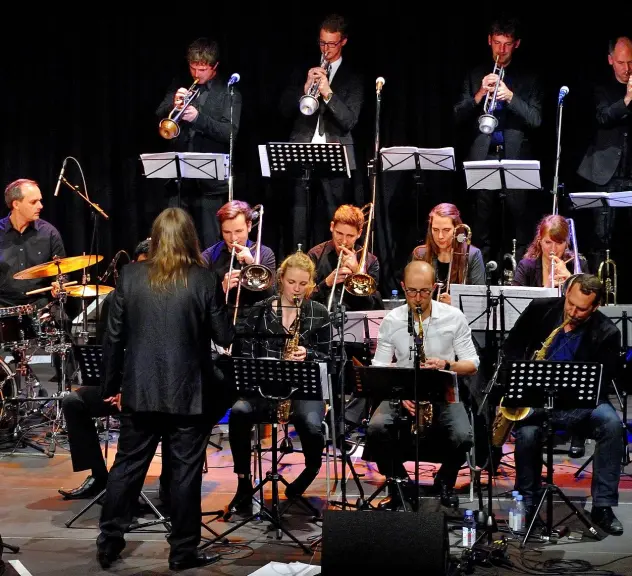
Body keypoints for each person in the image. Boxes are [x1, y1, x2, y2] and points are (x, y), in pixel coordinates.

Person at [96, 208, 234, 571]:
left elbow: (112, 338)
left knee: (127, 468)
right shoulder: (204, 280)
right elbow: (224, 337)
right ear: (191, 237)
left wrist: (110, 386)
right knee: (185, 474)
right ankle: (183, 552)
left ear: (156, 238)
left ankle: (109, 543)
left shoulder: (130, 275)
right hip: (188, 394)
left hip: (140, 391)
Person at [503, 274, 623, 535]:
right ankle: (528, 501)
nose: (573, 312)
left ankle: (603, 506)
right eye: (570, 304)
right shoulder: (540, 310)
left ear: (596, 306)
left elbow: (600, 387)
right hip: (534, 397)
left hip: (580, 403)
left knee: (612, 424)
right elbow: (511, 347)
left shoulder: (607, 332)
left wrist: (556, 414)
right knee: (527, 432)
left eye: (582, 309)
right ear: (567, 293)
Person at [365, 260, 479, 510]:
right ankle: (400, 483)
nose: (418, 298)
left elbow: (472, 364)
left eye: (425, 291)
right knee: (375, 428)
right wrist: (399, 393)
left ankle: (445, 481)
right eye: (412, 291)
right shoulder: (392, 320)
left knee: (463, 435)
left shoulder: (453, 317)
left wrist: (446, 364)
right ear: (403, 287)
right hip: (403, 391)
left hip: (443, 391)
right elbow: (380, 368)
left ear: (435, 287)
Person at [226, 251, 332, 515]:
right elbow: (245, 352)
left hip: (303, 389)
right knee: (239, 412)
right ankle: (243, 483)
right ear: (280, 279)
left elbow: (331, 356)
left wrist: (309, 354)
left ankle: (310, 469)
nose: (297, 289)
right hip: (264, 387)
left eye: (303, 284)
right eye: (291, 282)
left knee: (309, 423)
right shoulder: (259, 311)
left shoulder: (318, 312)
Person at [58, 240, 158, 501]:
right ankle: (99, 475)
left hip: (157, 391)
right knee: (72, 401)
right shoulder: (116, 298)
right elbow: (106, 347)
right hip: (123, 387)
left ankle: (163, 488)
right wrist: (115, 388)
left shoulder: (168, 299)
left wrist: (129, 389)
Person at [453, 16, 542, 264]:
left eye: (507, 44)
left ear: (517, 44)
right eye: (497, 43)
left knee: (519, 225)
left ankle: (520, 276)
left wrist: (511, 97)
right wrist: (481, 93)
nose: (501, 50)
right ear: (489, 41)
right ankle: (481, 278)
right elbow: (457, 115)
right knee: (481, 225)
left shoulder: (529, 78)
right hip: (482, 157)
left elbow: (536, 120)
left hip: (515, 159)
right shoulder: (474, 75)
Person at [278, 13, 364, 253]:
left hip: (335, 154)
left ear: (343, 42)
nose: (326, 49)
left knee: (335, 217)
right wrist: (305, 89)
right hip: (303, 150)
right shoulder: (302, 71)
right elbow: (284, 111)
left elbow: (349, 121)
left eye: (332, 43)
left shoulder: (353, 78)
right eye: (322, 43)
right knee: (299, 220)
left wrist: (328, 93)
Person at [155, 37, 242, 248]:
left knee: (208, 244)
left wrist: (197, 119)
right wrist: (173, 105)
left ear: (214, 67)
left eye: (202, 69)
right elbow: (160, 116)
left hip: (210, 187)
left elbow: (229, 133)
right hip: (180, 185)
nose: (196, 74)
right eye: (193, 68)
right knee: (176, 243)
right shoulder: (180, 85)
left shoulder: (229, 93)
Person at [576, 36, 632, 272]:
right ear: (610, 60)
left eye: (631, 62)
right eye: (621, 62)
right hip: (605, 175)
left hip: (630, 174)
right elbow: (602, 117)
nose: (627, 69)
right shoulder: (600, 88)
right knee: (601, 241)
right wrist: (628, 99)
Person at [201, 200, 276, 350]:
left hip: (256, 330)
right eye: (226, 232)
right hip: (220, 331)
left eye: (238, 231)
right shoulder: (208, 256)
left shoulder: (265, 253)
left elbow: (272, 296)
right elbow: (199, 301)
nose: (233, 238)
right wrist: (221, 289)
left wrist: (252, 265)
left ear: (249, 226)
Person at [308, 204, 383, 311]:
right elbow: (303, 299)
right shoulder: (315, 255)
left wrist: (358, 274)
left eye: (350, 236)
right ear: (332, 227)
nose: (343, 241)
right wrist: (326, 283)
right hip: (322, 322)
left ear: (359, 233)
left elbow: (375, 306)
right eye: (339, 233)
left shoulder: (371, 261)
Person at [411, 203, 486, 305]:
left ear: (457, 229)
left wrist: (454, 303)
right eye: (435, 230)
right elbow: (411, 293)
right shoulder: (420, 254)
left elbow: (480, 300)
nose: (440, 236)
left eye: (446, 230)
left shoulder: (473, 255)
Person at [512, 214, 588, 289]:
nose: (553, 248)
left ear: (566, 243)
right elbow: (514, 298)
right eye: (548, 242)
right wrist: (547, 288)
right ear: (540, 241)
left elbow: (590, 299)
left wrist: (570, 280)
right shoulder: (526, 267)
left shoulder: (579, 264)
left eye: (559, 243)